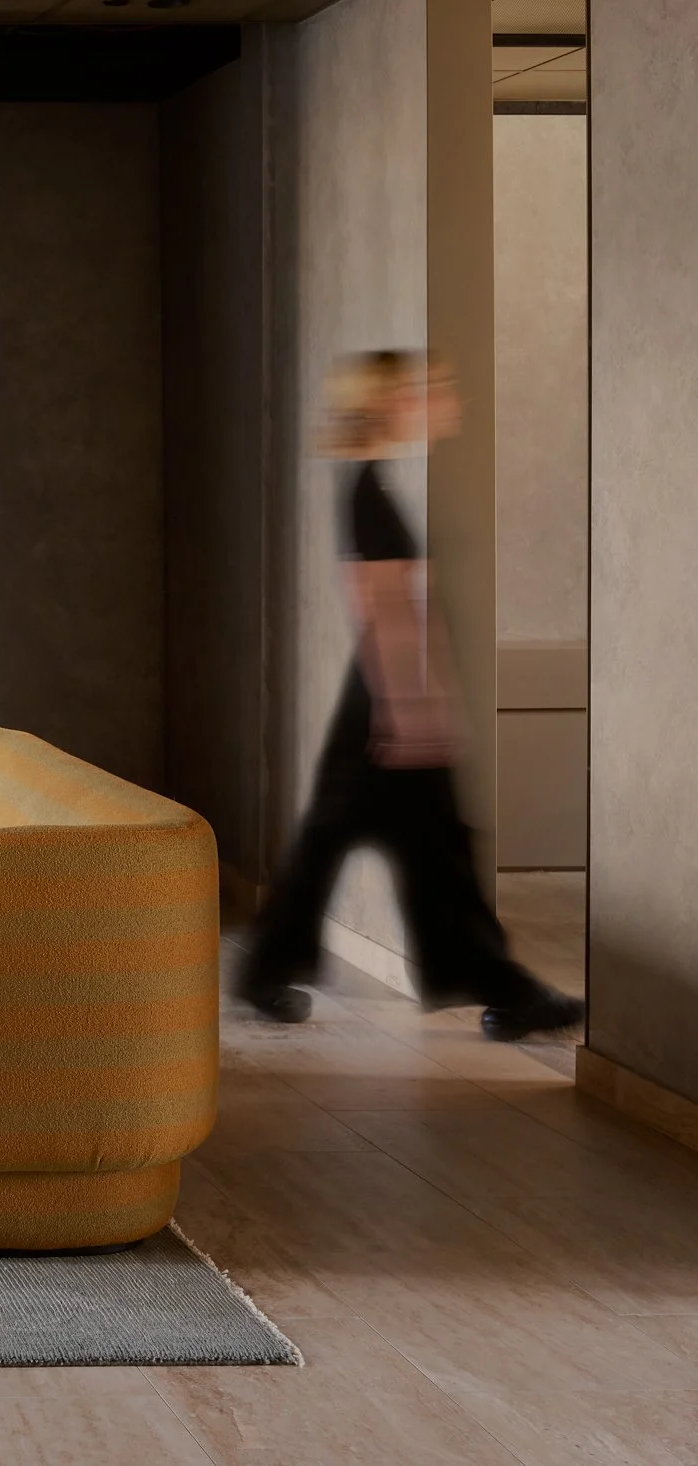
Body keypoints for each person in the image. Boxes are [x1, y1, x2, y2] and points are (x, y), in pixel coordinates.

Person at [241, 351, 584, 1041]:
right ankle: (503, 990)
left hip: (377, 700)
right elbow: (383, 610)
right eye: (422, 389)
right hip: (386, 703)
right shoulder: (369, 491)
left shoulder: (369, 484)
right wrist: (413, 713)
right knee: (425, 850)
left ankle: (267, 971)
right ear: (388, 402)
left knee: (370, 844)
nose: (437, 398)